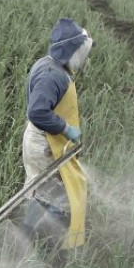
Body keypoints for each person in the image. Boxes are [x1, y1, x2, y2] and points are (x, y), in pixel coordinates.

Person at [21, 17, 93, 249]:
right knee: (60, 199)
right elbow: (37, 111)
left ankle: (28, 233)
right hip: (44, 144)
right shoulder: (53, 75)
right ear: (70, 50)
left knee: (41, 191)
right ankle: (48, 245)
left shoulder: (49, 65)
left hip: (42, 141)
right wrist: (65, 129)